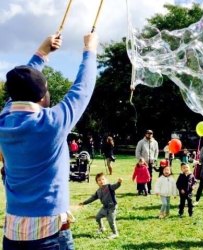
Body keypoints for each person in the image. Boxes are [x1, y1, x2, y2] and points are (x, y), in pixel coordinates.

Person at [0, 32, 98, 250]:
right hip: (50, 235)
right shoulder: (51, 123)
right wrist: (90, 50)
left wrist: (42, 52)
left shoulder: (4, 121)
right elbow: (83, 88)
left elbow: (18, 89)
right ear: (42, 97)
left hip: (13, 233)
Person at [79, 173, 122, 239]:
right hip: (105, 207)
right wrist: (84, 203)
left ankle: (115, 233)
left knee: (111, 221)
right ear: (97, 182)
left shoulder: (109, 187)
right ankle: (102, 228)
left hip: (112, 207)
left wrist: (119, 182)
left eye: (103, 179)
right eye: (99, 180)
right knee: (97, 217)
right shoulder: (98, 191)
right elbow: (92, 198)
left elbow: (116, 186)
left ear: (106, 180)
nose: (101, 181)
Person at [135, 129, 159, 194]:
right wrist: (141, 160)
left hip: (151, 162)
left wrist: (155, 158)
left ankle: (148, 189)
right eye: (148, 133)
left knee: (149, 176)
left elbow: (156, 151)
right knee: (140, 175)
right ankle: (140, 189)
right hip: (142, 163)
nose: (149, 135)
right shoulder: (141, 142)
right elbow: (137, 152)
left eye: (151, 133)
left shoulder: (155, 142)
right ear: (145, 134)